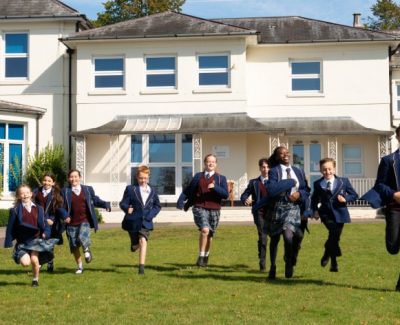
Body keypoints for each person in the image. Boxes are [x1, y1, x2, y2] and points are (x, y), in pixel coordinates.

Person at [363, 125, 400, 291]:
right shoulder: (388, 160)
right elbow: (379, 185)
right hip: (395, 208)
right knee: (392, 247)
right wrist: (394, 194)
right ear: (398, 137)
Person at [265, 146, 310, 279]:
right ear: (277, 157)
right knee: (274, 239)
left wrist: (298, 194)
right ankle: (272, 266)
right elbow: (271, 189)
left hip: (293, 207)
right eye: (281, 153)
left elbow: (306, 189)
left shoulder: (298, 171)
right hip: (277, 207)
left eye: (286, 152)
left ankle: (288, 263)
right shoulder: (274, 171)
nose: (285, 154)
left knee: (288, 236)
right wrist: (287, 184)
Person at [177, 154, 228, 267]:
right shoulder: (198, 176)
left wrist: (215, 188)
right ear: (205, 163)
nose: (210, 164)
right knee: (205, 230)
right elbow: (189, 189)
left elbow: (225, 195)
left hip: (214, 209)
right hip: (199, 207)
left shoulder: (221, 178)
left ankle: (206, 256)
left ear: (216, 164)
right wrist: (181, 201)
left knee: (209, 234)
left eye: (213, 162)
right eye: (208, 161)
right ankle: (201, 257)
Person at [4, 184, 58, 287]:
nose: (25, 195)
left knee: (34, 259)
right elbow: (10, 227)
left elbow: (45, 224)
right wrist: (8, 242)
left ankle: (35, 280)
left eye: (27, 193)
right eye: (22, 193)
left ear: (31, 194)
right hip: (23, 242)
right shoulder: (14, 210)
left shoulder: (39, 209)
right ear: (19, 196)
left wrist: (46, 233)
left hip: (36, 239)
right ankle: (18, 253)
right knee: (25, 263)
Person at [311, 158, 358, 272]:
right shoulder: (317, 184)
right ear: (321, 170)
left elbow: (354, 195)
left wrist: (345, 198)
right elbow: (314, 199)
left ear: (334, 169)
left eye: (330, 169)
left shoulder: (343, 181)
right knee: (333, 232)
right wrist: (315, 211)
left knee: (334, 237)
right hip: (326, 214)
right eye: (324, 170)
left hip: (340, 213)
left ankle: (327, 253)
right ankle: (334, 263)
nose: (327, 172)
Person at [61, 169, 111, 274]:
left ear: (80, 177)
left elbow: (95, 200)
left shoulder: (87, 189)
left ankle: (87, 250)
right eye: (71, 177)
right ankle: (79, 266)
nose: (74, 179)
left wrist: (105, 204)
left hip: (85, 220)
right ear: (68, 179)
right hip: (71, 223)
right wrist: (64, 215)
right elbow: (60, 206)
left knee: (82, 236)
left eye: (76, 176)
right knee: (74, 246)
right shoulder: (65, 191)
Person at [120, 166, 161, 275]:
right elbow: (123, 203)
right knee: (136, 244)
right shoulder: (130, 189)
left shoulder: (153, 190)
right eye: (141, 178)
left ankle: (141, 268)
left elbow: (157, 206)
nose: (143, 180)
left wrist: (150, 215)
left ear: (148, 177)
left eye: (145, 178)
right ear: (137, 177)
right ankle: (134, 245)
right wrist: (126, 208)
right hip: (132, 221)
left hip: (146, 221)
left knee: (143, 240)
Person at [33, 172, 66, 272]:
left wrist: (52, 218)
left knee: (48, 242)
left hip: (51, 223)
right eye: (45, 180)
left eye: (49, 181)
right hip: (38, 221)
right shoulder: (36, 192)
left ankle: (49, 262)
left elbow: (58, 208)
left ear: (53, 183)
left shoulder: (56, 194)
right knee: (39, 242)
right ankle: (39, 263)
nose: (46, 182)